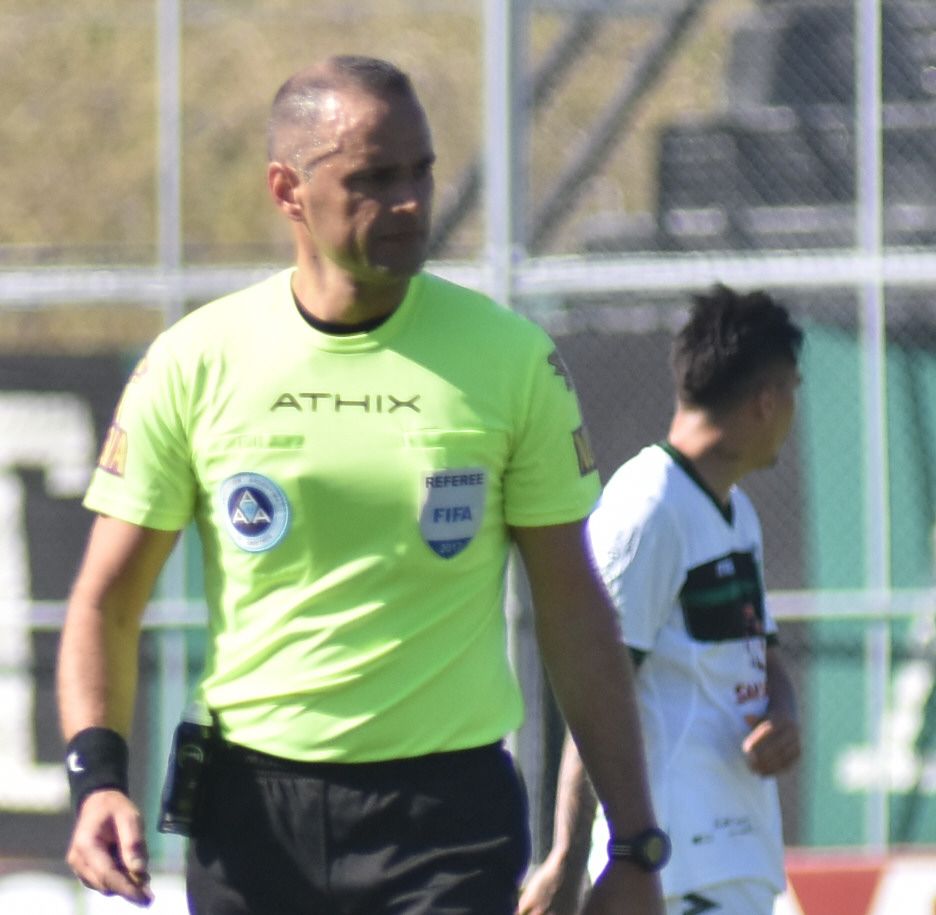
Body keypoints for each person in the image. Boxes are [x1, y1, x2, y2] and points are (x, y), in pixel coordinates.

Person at [56, 55, 665, 915]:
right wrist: (97, 780)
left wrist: (635, 841)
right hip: (250, 817)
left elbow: (574, 608)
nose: (409, 200)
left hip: (444, 822)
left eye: (421, 171)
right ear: (287, 190)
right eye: (373, 178)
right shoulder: (195, 362)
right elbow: (106, 603)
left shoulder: (510, 359)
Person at [519, 284, 803, 915]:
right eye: (793, 390)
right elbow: (596, 685)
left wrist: (783, 715)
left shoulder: (739, 512)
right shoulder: (647, 507)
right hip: (673, 873)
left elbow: (764, 657)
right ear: (767, 399)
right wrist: (568, 854)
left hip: (739, 865)